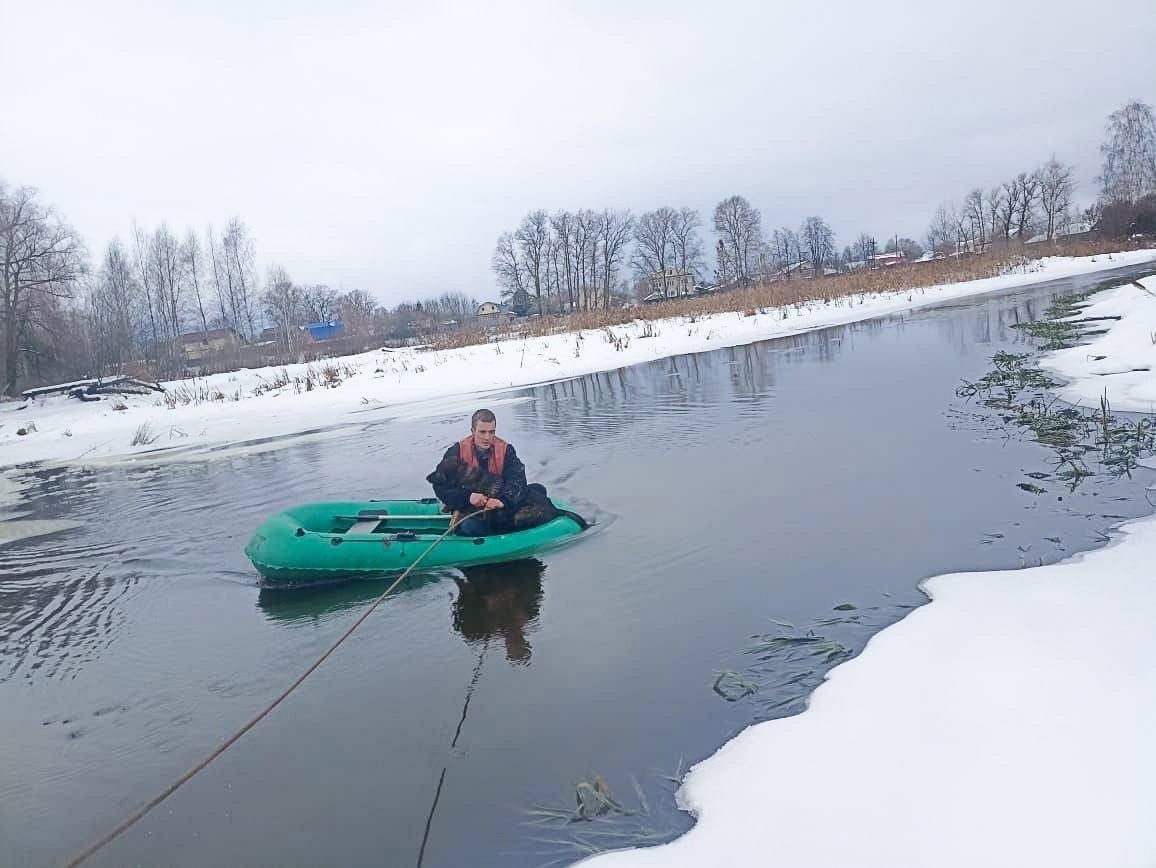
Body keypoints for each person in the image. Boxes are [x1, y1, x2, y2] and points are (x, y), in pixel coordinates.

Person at [427, 408, 528, 536]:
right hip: (469, 507)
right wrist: (468, 497)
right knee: (470, 527)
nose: (487, 437)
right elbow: (440, 487)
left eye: (492, 432)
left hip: (497, 503)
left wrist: (503, 500)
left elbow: (517, 479)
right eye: (482, 432)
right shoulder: (456, 452)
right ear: (473, 431)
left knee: (537, 490)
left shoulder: (506, 450)